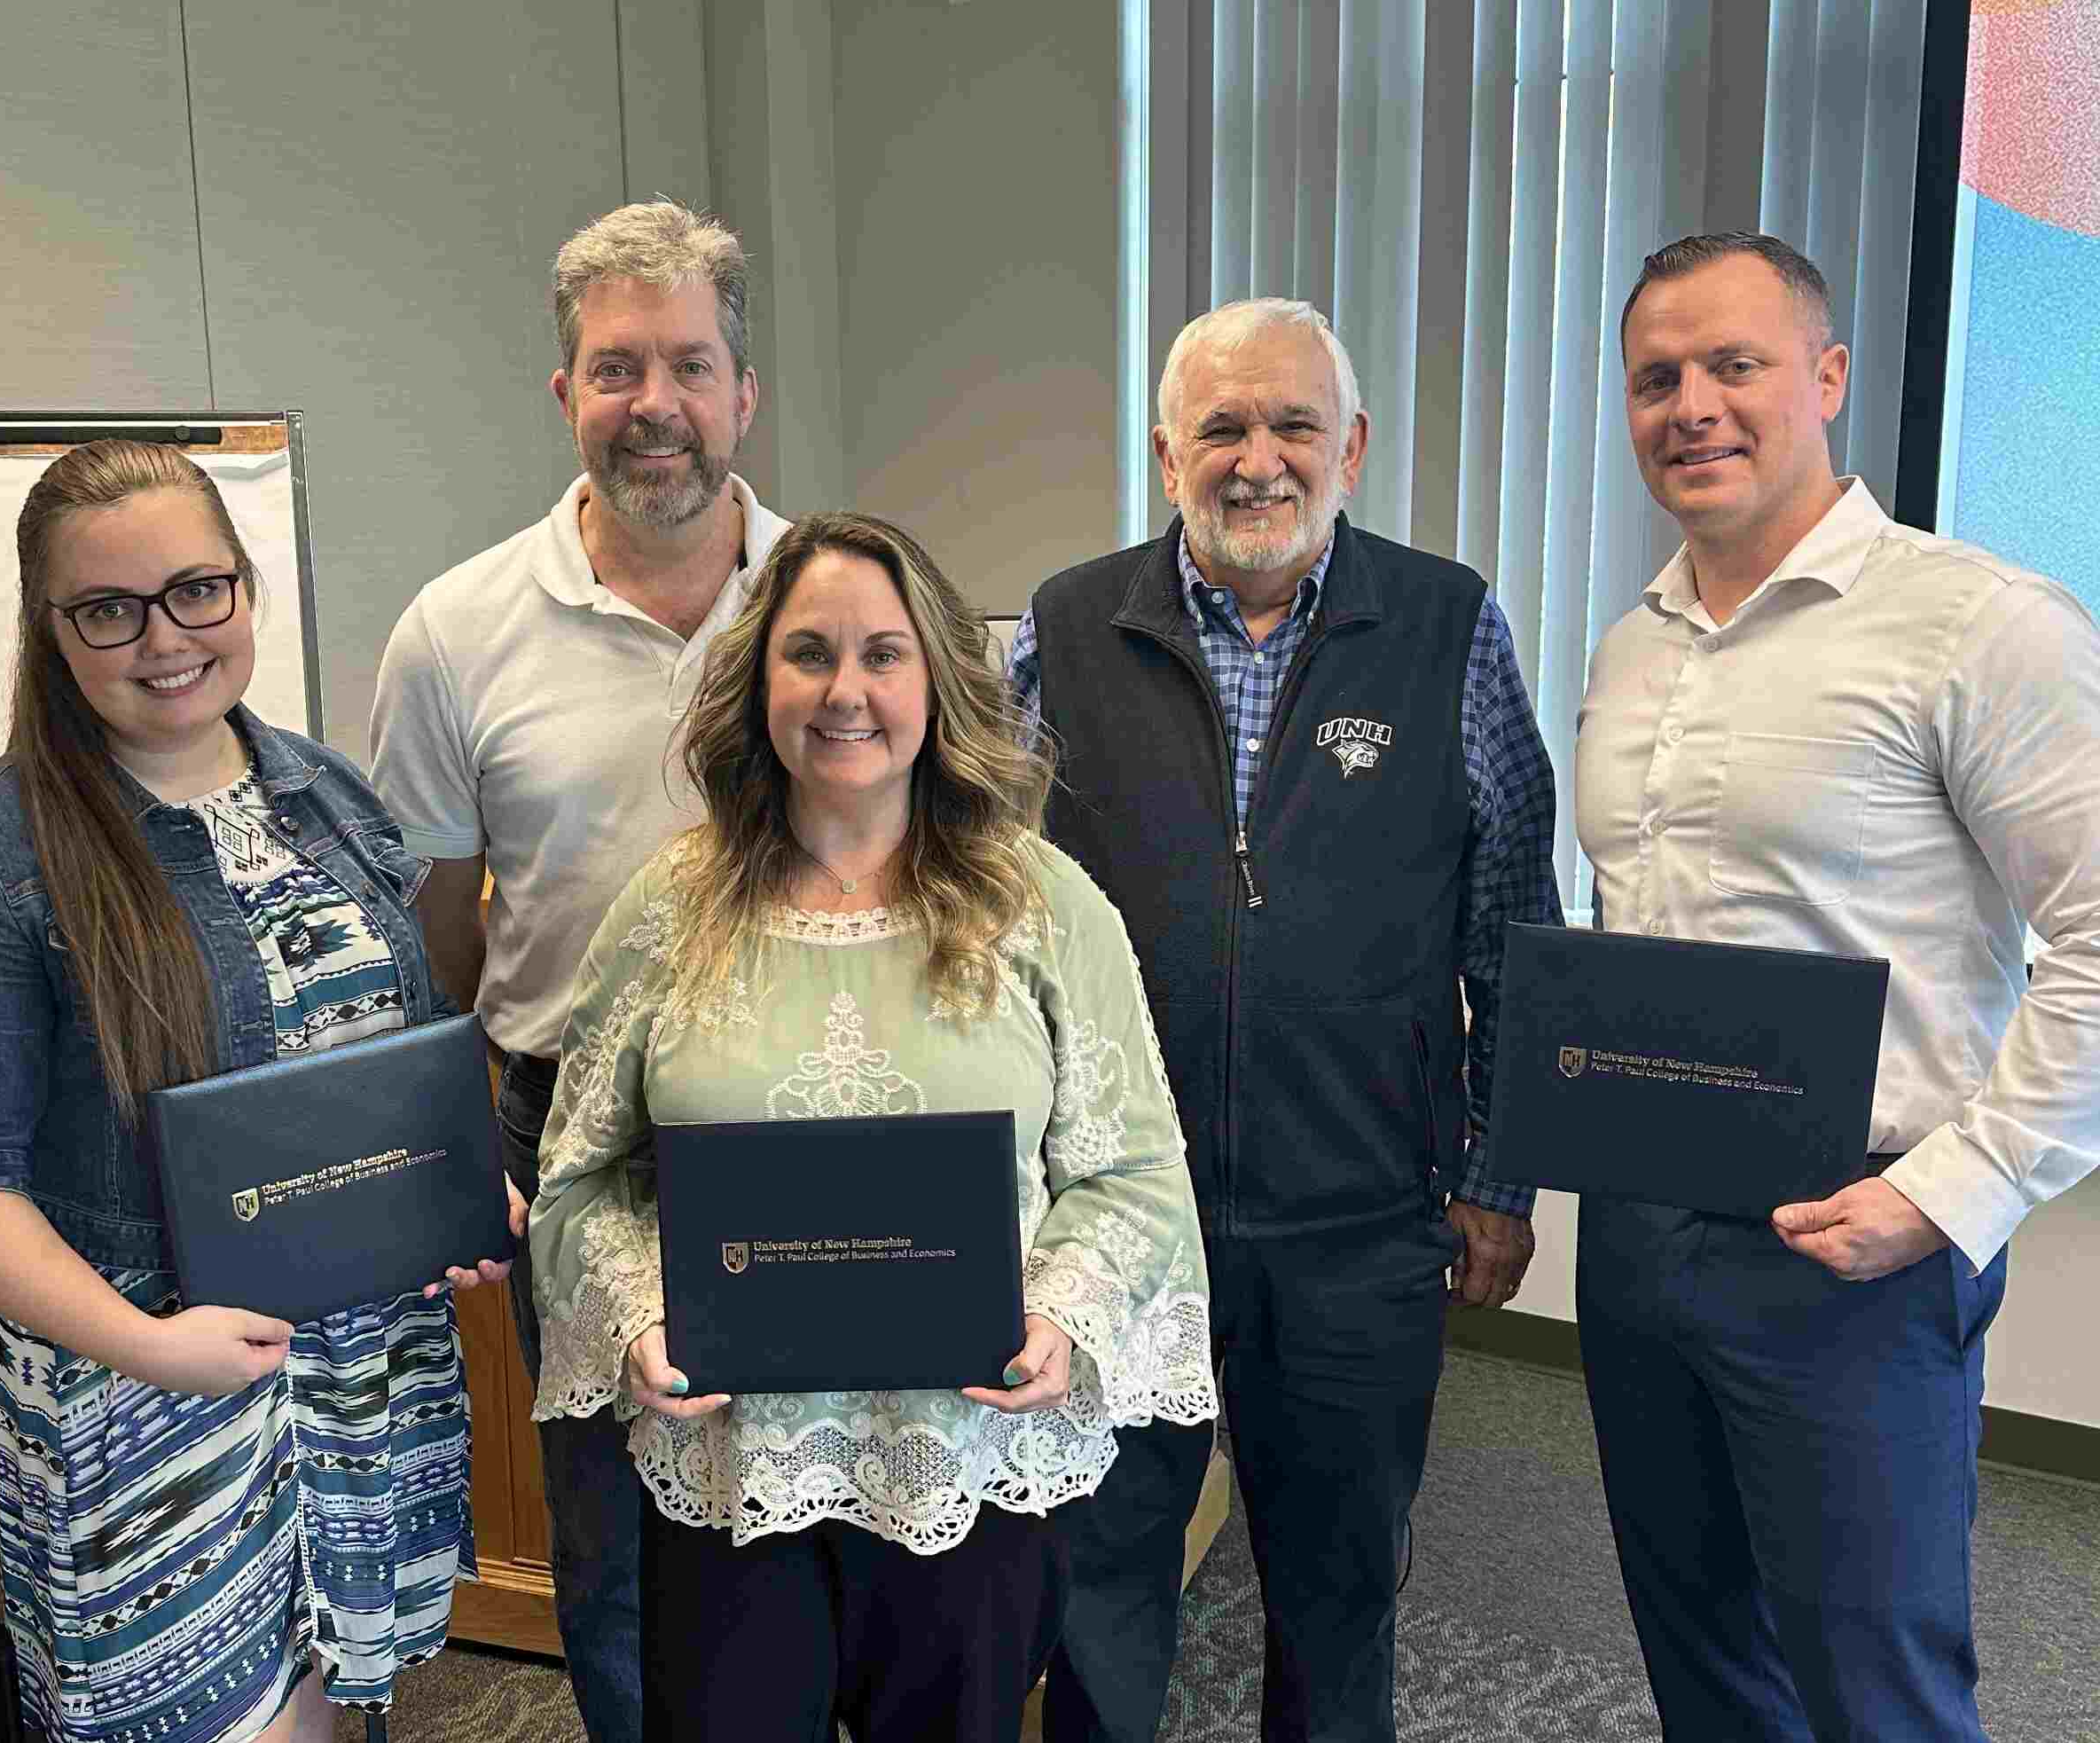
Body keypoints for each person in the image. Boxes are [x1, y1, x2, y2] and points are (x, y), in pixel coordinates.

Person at [528, 511, 1218, 1743]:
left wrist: (1058, 1309)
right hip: (734, 1469)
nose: (845, 690)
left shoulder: (1042, 901)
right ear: (758, 680)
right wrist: (636, 1313)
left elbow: (1132, 1173)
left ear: (938, 679)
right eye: (809, 653)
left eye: (882, 653)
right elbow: (584, 1176)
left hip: (966, 1458)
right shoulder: (668, 907)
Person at [0, 439, 516, 1743]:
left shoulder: (325, 793)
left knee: (348, 1720)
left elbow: (384, 1048)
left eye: (196, 590)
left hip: (359, 1377)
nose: (162, 638)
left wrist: (453, 1188)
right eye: (107, 609)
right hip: (148, 1393)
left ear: (243, 588)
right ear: (47, 628)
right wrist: (149, 1345)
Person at [1010, 297, 1563, 1743]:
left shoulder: (1447, 627)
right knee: (1098, 1585)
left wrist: (1495, 1178)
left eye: (1292, 425)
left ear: (1353, 447)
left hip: (1360, 1223)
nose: (1257, 459)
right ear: (1163, 450)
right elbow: (980, 917)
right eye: (1221, 427)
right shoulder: (1064, 632)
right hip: (1118, 1222)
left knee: (1334, 1597)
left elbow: (1510, 923)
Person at [1573, 231, 2100, 1741]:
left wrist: (1952, 1193)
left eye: (1733, 365)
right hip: (1639, 1233)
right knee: (1700, 1660)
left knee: (1878, 1690)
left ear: (1826, 376)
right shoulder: (1629, 648)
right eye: (1655, 378)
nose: (1693, 406)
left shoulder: (1978, 624)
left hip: (1853, 1247)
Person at [368, 198, 789, 1743]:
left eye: (689, 364)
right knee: (609, 1532)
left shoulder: (840, 604)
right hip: (575, 1134)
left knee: (814, 1510)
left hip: (815, 1113)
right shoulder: (455, 628)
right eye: (617, 369)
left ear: (746, 390)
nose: (654, 406)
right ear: (564, 394)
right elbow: (430, 922)